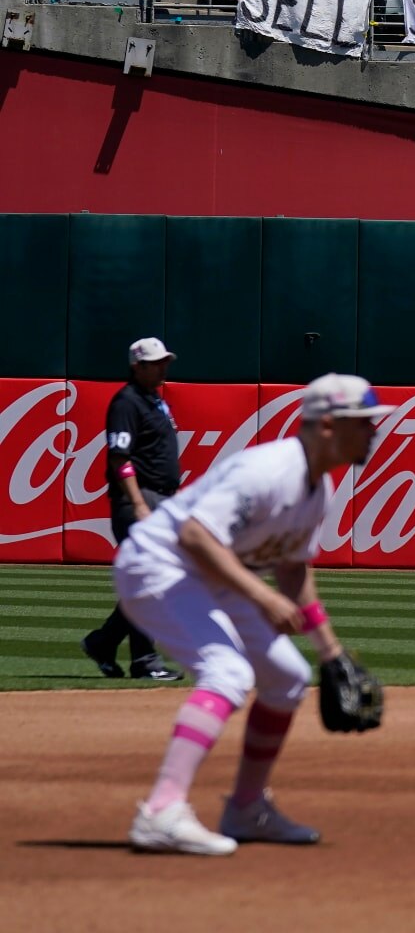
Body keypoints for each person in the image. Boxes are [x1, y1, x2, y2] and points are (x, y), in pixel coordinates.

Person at [115, 374, 392, 854]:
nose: (373, 432)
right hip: (157, 566)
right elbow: (196, 536)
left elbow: (292, 569)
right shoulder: (269, 471)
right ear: (328, 425)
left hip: (210, 577)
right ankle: (161, 810)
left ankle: (245, 808)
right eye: (363, 423)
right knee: (227, 672)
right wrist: (262, 599)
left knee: (287, 676)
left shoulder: (317, 488)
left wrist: (331, 652)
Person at [79, 339, 186, 683]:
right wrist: (139, 504)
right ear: (137, 366)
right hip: (140, 501)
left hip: (161, 499)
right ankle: (143, 660)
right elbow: (119, 457)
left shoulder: (154, 401)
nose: (163, 367)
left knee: (154, 581)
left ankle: (104, 643)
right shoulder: (127, 402)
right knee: (153, 580)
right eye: (155, 363)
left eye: (164, 361)